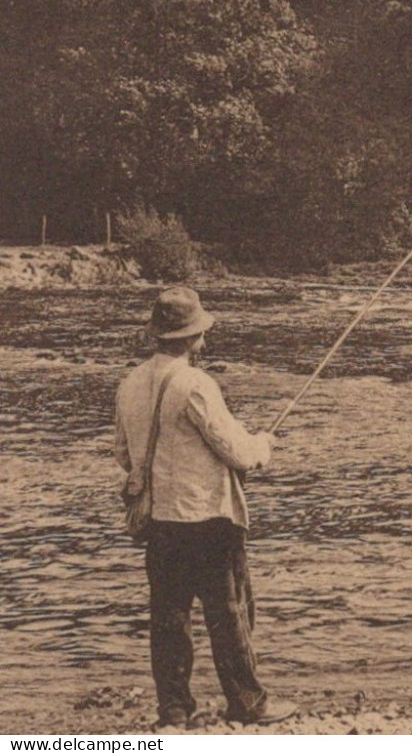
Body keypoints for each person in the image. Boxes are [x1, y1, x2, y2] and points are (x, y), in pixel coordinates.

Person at [113, 286, 296, 727]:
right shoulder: (196, 384)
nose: (206, 340)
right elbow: (237, 451)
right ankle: (248, 702)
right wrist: (265, 446)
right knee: (228, 613)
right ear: (190, 338)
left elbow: (123, 455)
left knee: (169, 618)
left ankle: (174, 710)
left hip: (160, 521)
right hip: (208, 520)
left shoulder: (129, 383)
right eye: (201, 333)